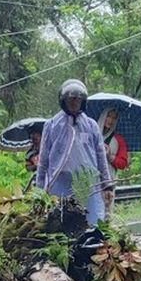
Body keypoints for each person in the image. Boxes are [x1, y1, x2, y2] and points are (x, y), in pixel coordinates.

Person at [36, 79, 114, 226]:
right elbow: (44, 159)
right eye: (70, 99)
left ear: (82, 102)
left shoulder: (91, 126)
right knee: (60, 224)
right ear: (63, 101)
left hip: (88, 182)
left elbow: (100, 156)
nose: (74, 103)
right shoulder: (52, 125)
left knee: (93, 223)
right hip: (60, 181)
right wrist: (40, 190)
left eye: (77, 100)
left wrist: (107, 185)